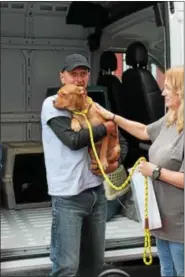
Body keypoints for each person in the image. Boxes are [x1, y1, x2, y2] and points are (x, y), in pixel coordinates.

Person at [96, 66, 184, 277]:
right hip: (162, 219)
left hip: (181, 224)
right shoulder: (170, 121)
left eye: (167, 88)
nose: (162, 93)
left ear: (181, 92)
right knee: (167, 269)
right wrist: (113, 117)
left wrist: (154, 172)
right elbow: (144, 131)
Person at [41, 53, 118, 277]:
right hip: (68, 197)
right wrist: (106, 128)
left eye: (83, 74)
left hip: (96, 193)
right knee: (67, 268)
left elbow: (116, 137)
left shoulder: (92, 104)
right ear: (62, 77)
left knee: (94, 266)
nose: (79, 79)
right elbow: (74, 141)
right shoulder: (53, 104)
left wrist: (112, 162)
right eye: (73, 74)